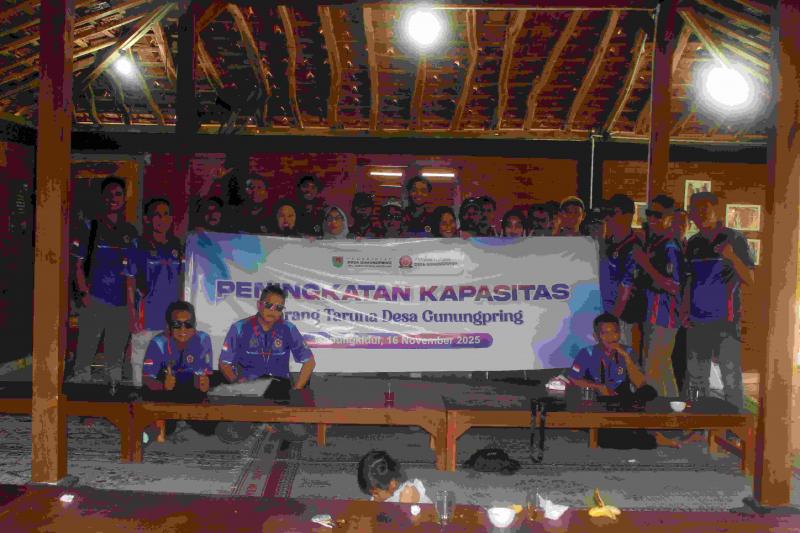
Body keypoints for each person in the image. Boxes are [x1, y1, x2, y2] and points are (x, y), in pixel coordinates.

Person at [567, 313, 680, 448]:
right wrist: (598, 386)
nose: (611, 337)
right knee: (616, 440)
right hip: (598, 402)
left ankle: (647, 433)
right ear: (596, 336)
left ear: (620, 333)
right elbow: (573, 379)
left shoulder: (627, 351)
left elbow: (640, 384)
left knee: (649, 392)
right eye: (605, 333)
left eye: (615, 332)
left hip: (622, 401)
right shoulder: (587, 353)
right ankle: (651, 437)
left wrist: (626, 358)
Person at [684, 192, 754, 409]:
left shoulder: (734, 238)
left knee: (730, 377)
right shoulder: (693, 243)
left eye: (704, 208)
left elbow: (750, 279)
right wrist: (684, 310)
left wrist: (731, 256)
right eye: (695, 210)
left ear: (717, 209)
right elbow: (689, 281)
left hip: (726, 320)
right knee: (697, 379)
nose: (700, 214)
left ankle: (735, 424)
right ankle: (701, 423)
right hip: (696, 320)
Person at [219, 285, 316, 440]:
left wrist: (296, 391)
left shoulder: (288, 328)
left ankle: (266, 422)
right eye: (269, 305)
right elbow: (224, 363)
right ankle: (264, 422)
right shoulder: (239, 328)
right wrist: (236, 383)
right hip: (249, 388)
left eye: (278, 308)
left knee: (300, 433)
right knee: (231, 434)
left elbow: (309, 362)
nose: (273, 310)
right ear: (259, 305)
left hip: (279, 388)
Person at [70, 176, 138, 388]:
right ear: (102, 198)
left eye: (118, 194)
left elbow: (132, 273)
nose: (113, 198)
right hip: (94, 300)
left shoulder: (130, 232)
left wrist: (131, 307)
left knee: (114, 362)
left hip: (121, 304)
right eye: (109, 194)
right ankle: (79, 397)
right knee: (84, 359)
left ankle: (112, 395)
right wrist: (84, 294)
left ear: (124, 199)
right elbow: (77, 265)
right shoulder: (89, 227)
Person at [126, 198, 184, 388]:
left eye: (166, 214)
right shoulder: (138, 244)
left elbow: (181, 280)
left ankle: (165, 401)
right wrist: (133, 314)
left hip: (170, 318)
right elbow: (130, 281)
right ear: (147, 219)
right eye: (157, 215)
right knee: (140, 364)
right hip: (146, 315)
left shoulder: (176, 245)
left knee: (168, 364)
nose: (162, 219)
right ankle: (138, 395)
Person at [141, 301, 216, 442]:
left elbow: (205, 375)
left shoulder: (203, 340)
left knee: (209, 428)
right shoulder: (158, 343)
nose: (183, 329)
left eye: (188, 324)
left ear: (194, 326)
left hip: (190, 388)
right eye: (177, 324)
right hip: (165, 391)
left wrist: (205, 383)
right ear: (169, 327)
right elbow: (146, 379)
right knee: (162, 431)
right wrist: (162, 385)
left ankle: (185, 417)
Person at [633, 195, 682, 397]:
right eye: (649, 213)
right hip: (651, 314)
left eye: (657, 215)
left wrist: (645, 264)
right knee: (663, 369)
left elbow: (674, 287)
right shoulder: (655, 243)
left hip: (665, 316)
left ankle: (654, 413)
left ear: (669, 217)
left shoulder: (670, 247)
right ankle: (673, 410)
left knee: (652, 370)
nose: (652, 218)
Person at [599, 194, 642, 348]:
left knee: (620, 357)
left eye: (613, 212)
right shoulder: (609, 244)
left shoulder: (634, 247)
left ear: (628, 216)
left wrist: (612, 320)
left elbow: (626, 288)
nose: (608, 217)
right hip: (604, 314)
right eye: (607, 212)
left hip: (621, 319)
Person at [357, 450, 432, 504]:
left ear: (392, 484)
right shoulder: (382, 495)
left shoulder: (408, 493)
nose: (374, 497)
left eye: (376, 493)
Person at [671, 208, 690, 391]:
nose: (679, 226)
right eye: (675, 222)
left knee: (683, 357)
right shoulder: (666, 248)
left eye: (683, 223)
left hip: (687, 312)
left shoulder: (692, 249)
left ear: (688, 226)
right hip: (667, 312)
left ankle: (683, 396)